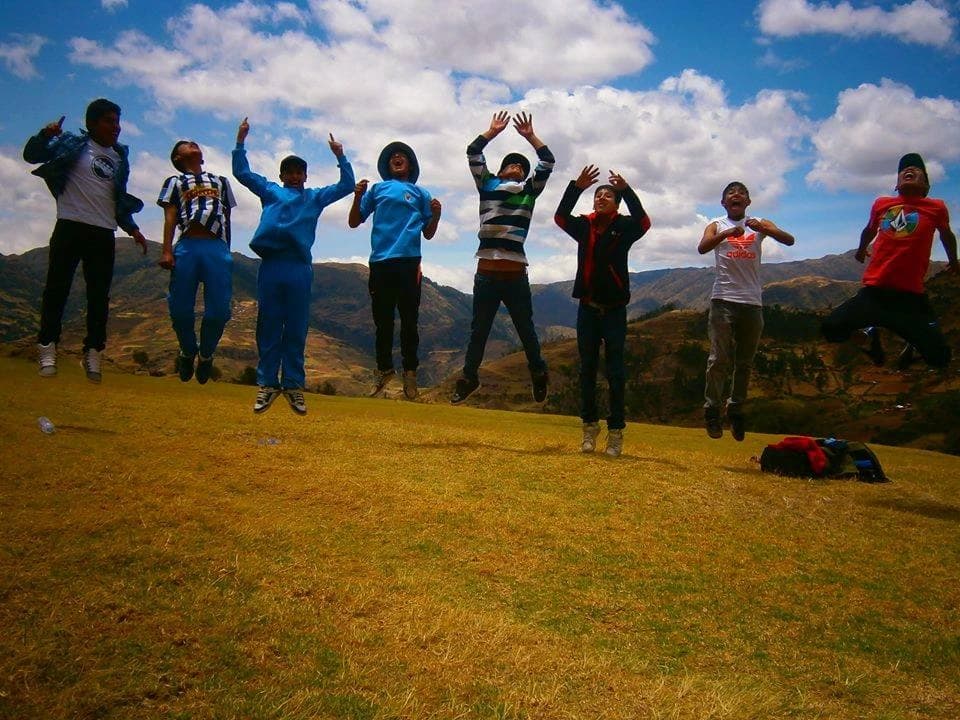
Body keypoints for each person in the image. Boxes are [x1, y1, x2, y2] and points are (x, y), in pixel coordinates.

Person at [232, 118, 354, 415]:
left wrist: (341, 156)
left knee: (297, 327)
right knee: (269, 324)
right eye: (290, 172)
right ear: (282, 175)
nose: (295, 176)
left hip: (299, 267)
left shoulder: (313, 198)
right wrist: (240, 141)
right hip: (272, 265)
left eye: (299, 172)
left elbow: (347, 185)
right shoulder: (271, 191)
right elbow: (242, 173)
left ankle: (294, 387)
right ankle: (267, 385)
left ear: (306, 176)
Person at [23, 98, 147, 382]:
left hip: (103, 231)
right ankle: (47, 346)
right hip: (70, 224)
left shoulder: (119, 156)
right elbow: (32, 155)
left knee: (99, 296)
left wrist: (132, 228)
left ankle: (93, 351)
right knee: (57, 289)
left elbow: (116, 197)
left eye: (117, 122)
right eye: (109, 121)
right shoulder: (71, 143)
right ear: (92, 123)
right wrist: (45, 135)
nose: (115, 128)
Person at [451, 111, 555, 405]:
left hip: (514, 276)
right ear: (499, 170)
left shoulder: (529, 193)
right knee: (478, 332)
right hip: (486, 276)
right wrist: (492, 132)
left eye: (522, 167)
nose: (517, 168)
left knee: (526, 331)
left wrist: (530, 137)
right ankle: (469, 378)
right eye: (511, 164)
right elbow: (473, 152)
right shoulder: (487, 186)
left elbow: (547, 162)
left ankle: (538, 374)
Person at [822, 153, 957, 369]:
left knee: (940, 358)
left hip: (910, 299)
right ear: (896, 184)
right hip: (875, 293)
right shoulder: (882, 204)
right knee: (832, 327)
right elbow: (869, 229)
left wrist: (954, 261)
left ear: (926, 184)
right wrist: (861, 249)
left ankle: (911, 344)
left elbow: (947, 235)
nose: (908, 170)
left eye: (916, 168)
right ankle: (871, 336)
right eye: (903, 169)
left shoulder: (936, 207)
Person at [554, 165, 651, 458]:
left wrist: (627, 190)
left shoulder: (624, 228)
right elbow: (560, 217)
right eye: (599, 194)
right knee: (586, 371)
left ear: (616, 202)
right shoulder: (584, 226)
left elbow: (644, 222)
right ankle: (589, 428)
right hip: (587, 309)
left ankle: (616, 432)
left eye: (608, 194)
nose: (602, 197)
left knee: (616, 373)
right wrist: (576, 187)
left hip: (615, 311)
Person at [698, 181, 795, 441]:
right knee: (718, 358)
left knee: (745, 362)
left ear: (748, 202)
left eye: (741, 193)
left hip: (752, 303)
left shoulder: (760, 223)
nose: (736, 195)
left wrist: (763, 228)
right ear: (723, 203)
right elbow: (703, 246)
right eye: (731, 193)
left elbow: (789, 240)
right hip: (723, 300)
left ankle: (737, 410)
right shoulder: (717, 225)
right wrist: (726, 235)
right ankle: (712, 410)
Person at [348, 141, 441, 400]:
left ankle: (410, 375)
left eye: (403, 156)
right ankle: (384, 370)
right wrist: (357, 196)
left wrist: (437, 215)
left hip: (409, 262)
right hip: (380, 262)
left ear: (410, 165)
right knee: (383, 321)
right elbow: (354, 221)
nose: (397, 158)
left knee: (410, 321)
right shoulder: (377, 189)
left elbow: (429, 233)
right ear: (388, 166)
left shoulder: (421, 194)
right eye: (393, 157)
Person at [158, 141, 237, 384]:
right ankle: (187, 350)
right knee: (180, 308)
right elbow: (170, 217)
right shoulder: (175, 182)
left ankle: (206, 354)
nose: (193, 146)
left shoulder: (221, 181)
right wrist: (167, 251)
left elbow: (227, 217)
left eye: (195, 145)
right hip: (188, 245)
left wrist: (227, 250)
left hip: (216, 247)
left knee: (220, 311)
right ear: (177, 157)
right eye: (186, 146)